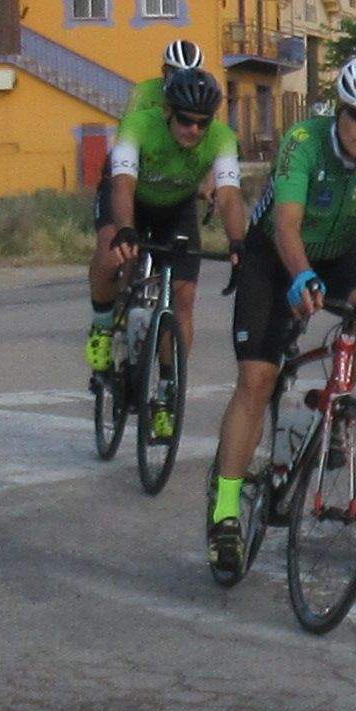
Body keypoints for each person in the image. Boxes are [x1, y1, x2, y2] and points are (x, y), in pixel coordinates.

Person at [207, 54, 356, 574]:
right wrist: (299, 276)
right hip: (274, 256)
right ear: (339, 108)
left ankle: (333, 404)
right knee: (257, 378)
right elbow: (286, 227)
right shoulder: (304, 141)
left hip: (338, 251)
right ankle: (226, 510)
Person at [86, 68, 246, 441]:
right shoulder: (139, 125)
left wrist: (238, 243)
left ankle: (165, 393)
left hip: (175, 208)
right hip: (132, 201)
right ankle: (103, 325)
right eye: (186, 121)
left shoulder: (222, 139)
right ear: (168, 113)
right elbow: (122, 182)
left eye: (202, 123)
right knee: (113, 253)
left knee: (185, 298)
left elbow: (228, 195)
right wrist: (126, 229)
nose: (194, 130)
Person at [126, 38, 206, 115]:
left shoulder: (207, 97)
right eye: (176, 71)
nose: (183, 79)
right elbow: (130, 125)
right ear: (164, 70)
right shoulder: (144, 91)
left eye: (190, 74)